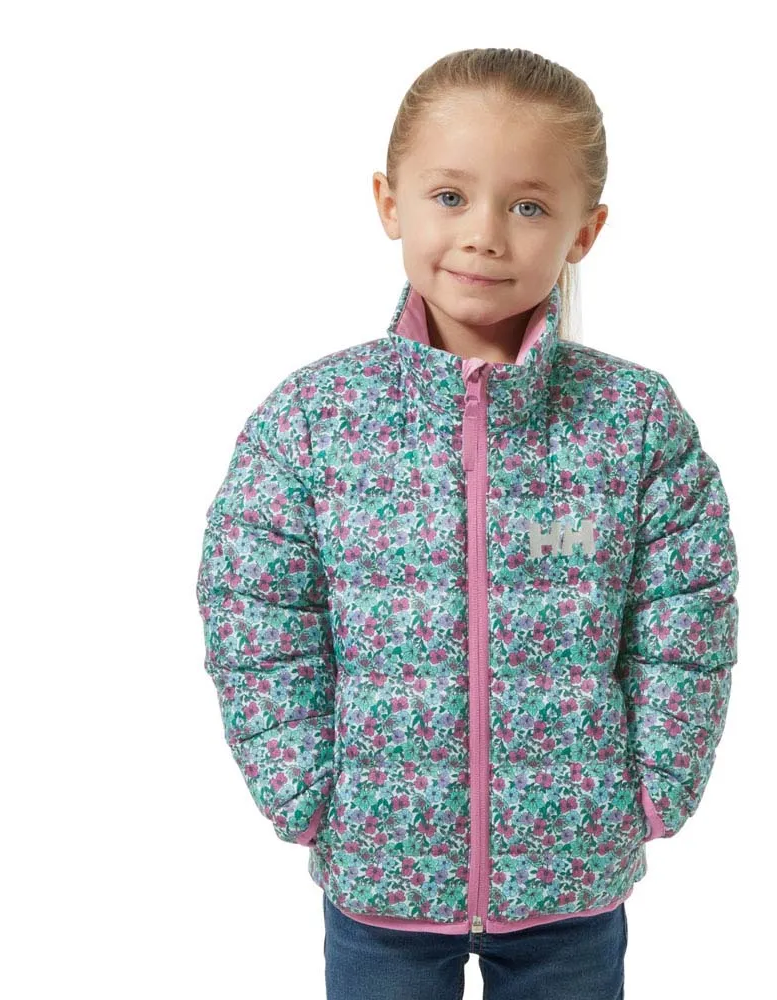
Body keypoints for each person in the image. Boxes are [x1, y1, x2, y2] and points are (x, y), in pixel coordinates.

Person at [195, 46, 739, 1000]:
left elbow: (686, 615)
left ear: (584, 230)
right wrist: (305, 790)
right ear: (389, 202)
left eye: (528, 206)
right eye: (450, 196)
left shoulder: (636, 422)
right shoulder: (314, 420)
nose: (484, 235)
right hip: (379, 872)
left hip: (573, 871)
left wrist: (656, 786)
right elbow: (256, 612)